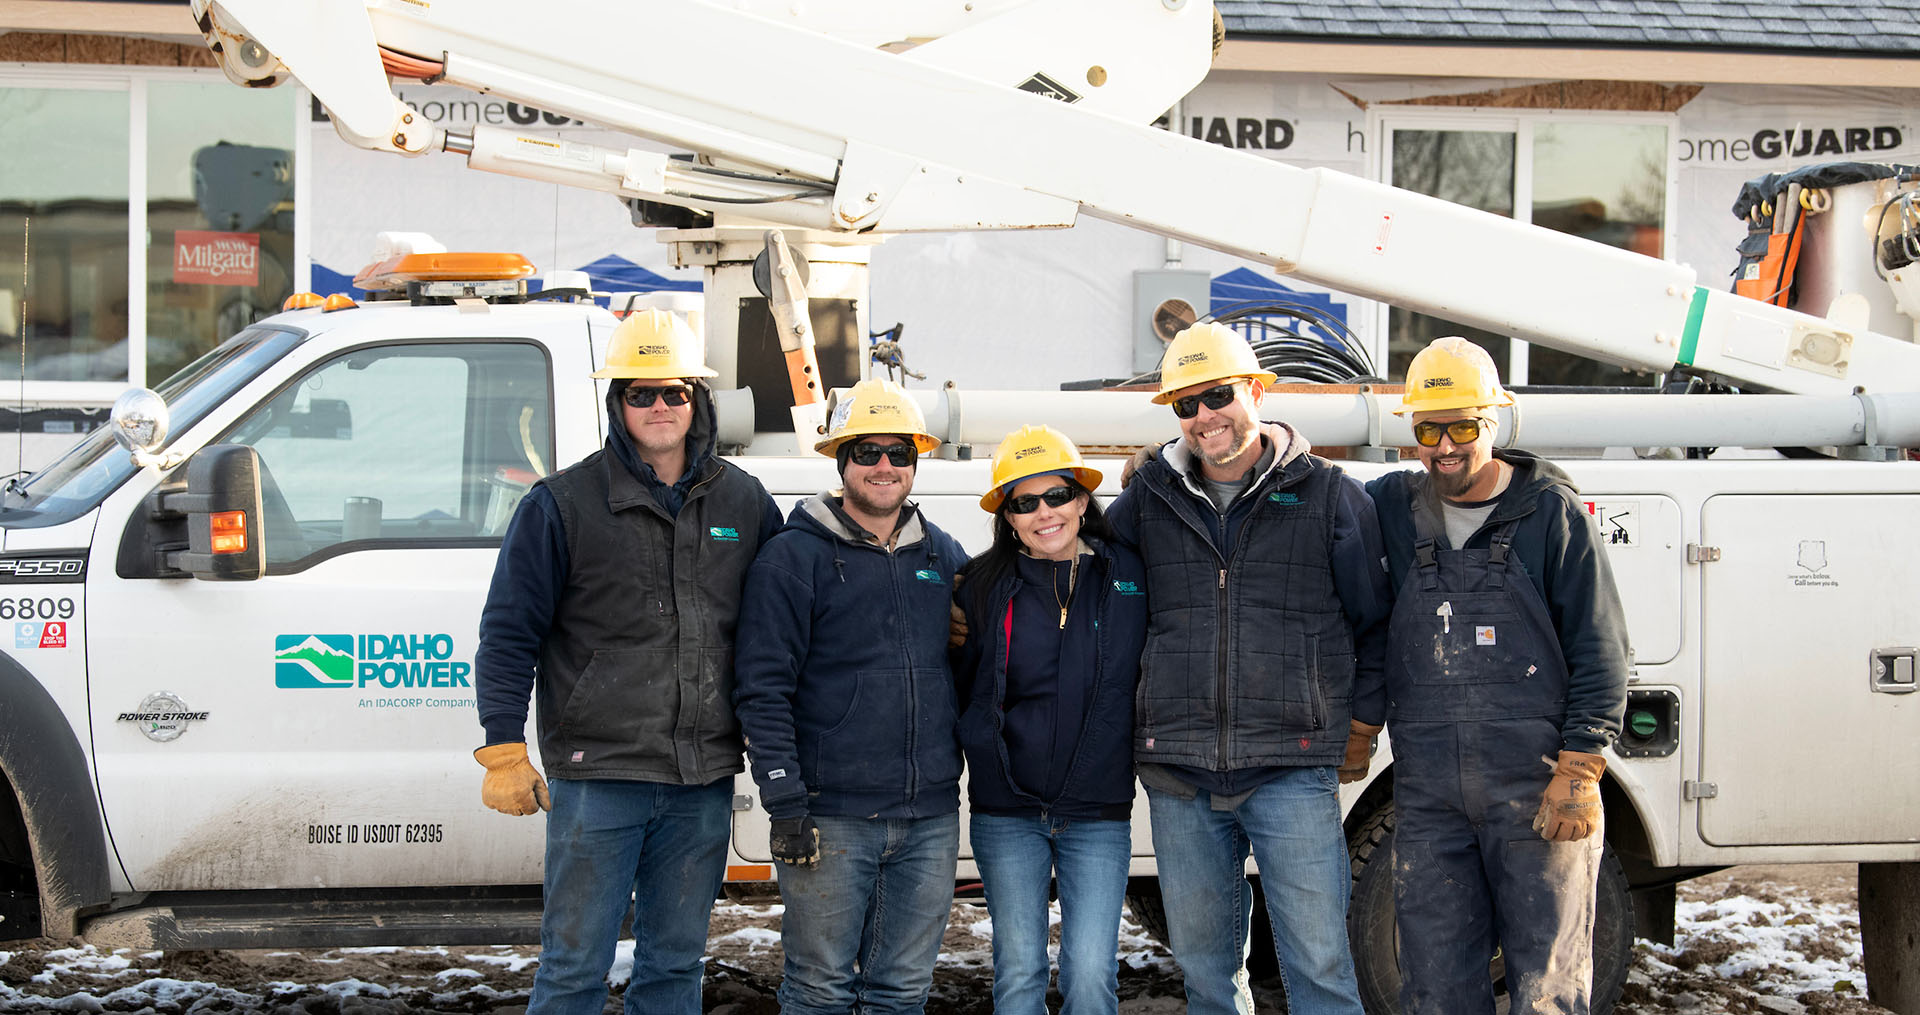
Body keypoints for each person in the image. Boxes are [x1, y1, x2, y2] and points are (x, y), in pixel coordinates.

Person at [471, 308, 781, 1015]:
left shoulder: (744, 501)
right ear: (618, 402)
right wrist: (502, 745)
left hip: (700, 778)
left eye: (674, 391)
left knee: (675, 966)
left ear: (696, 399)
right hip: (599, 777)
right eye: (641, 393)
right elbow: (510, 631)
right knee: (574, 967)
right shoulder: (562, 504)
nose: (659, 406)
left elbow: (792, 612)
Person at [1106, 322, 1391, 1015]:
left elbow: (1376, 623)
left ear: (1257, 392)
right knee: (1207, 977)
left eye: (1219, 395)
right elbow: (1081, 574)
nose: (1205, 416)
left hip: (1291, 767)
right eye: (1187, 404)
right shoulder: (1147, 499)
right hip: (1180, 772)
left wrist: (1361, 724)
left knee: (1321, 970)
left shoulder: (1329, 496)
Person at [1361, 336, 1629, 1015]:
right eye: (1429, 430)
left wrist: (1582, 766)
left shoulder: (1549, 514)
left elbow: (1601, 645)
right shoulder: (1393, 507)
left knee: (1546, 988)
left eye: (1463, 427)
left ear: (1494, 420)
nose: (1445, 446)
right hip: (1429, 798)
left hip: (1535, 790)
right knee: (1435, 989)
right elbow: (1305, 503)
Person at [732, 377, 969, 1015]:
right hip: (829, 816)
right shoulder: (791, 560)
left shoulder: (943, 556)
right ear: (841, 461)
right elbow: (762, 689)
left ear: (917, 461)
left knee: (903, 993)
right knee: (819, 991)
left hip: (928, 817)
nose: (884, 465)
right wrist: (785, 802)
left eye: (900, 452)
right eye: (867, 451)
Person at [951, 425, 1147, 1015]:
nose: (1044, 513)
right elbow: (957, 683)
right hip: (1007, 815)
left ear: (1083, 500)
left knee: (1090, 977)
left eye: (1057, 496)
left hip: (1097, 814)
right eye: (1025, 503)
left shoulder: (1131, 578)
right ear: (1007, 517)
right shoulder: (980, 587)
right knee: (1019, 973)